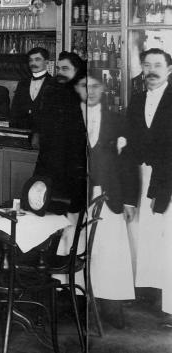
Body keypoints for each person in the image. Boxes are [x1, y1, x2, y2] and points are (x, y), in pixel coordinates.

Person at [75, 73, 137, 329]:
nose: (90, 91)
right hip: (77, 195)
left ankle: (111, 304)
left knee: (111, 249)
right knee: (75, 245)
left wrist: (130, 200)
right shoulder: (66, 118)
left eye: (95, 86)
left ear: (103, 89)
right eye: (84, 86)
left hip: (109, 193)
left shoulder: (117, 120)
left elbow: (128, 163)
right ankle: (75, 302)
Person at [124, 48, 172, 325]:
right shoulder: (138, 99)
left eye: (157, 65)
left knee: (168, 240)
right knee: (142, 236)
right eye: (146, 65)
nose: (151, 70)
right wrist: (130, 194)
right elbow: (130, 146)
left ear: (169, 70)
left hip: (167, 177)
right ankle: (147, 291)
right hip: (141, 175)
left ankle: (170, 305)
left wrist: (160, 190)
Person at [32, 51, 87, 212]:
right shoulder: (51, 87)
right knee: (43, 198)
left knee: (70, 203)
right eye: (58, 68)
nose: (60, 72)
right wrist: (37, 133)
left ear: (77, 70)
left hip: (72, 155)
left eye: (65, 69)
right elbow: (40, 114)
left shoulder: (83, 91)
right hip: (49, 152)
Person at [10, 47, 55, 129]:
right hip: (22, 130)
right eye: (31, 60)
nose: (33, 63)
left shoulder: (55, 84)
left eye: (37, 59)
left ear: (47, 62)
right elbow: (14, 110)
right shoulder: (22, 83)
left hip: (44, 132)